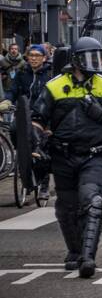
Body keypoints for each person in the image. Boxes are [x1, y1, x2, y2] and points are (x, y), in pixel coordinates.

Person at [31, 37, 102, 278]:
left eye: (97, 57)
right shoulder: (54, 86)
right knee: (67, 208)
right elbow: (37, 118)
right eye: (89, 58)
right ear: (75, 60)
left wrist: (100, 113)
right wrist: (36, 141)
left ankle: (88, 257)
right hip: (62, 156)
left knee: (92, 201)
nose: (95, 62)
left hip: (93, 155)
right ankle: (74, 251)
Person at [3, 44, 53, 199]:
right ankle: (21, 152)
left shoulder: (50, 74)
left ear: (44, 58)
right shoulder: (22, 73)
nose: (34, 58)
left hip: (43, 116)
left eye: (37, 55)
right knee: (13, 128)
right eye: (31, 55)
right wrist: (7, 101)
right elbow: (12, 90)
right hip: (24, 113)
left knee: (42, 144)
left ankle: (44, 185)